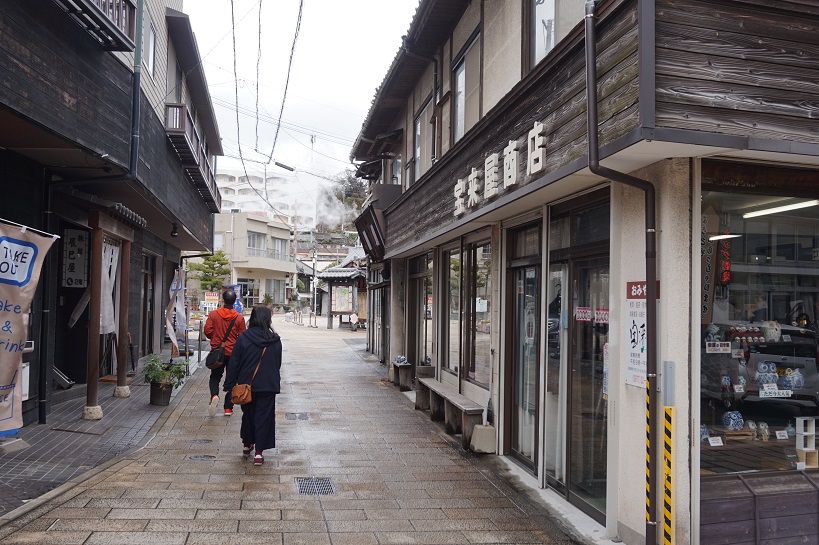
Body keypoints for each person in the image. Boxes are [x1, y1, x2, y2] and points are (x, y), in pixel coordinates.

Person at [224, 305, 282, 466]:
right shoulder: (275, 340)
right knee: (264, 417)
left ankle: (247, 444)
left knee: (248, 415)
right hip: (267, 385)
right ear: (268, 320)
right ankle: (258, 453)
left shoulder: (243, 338)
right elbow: (277, 363)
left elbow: (234, 363)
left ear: (253, 319)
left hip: (246, 385)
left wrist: (229, 385)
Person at [204, 290, 246, 416]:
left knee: (215, 377)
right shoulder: (239, 318)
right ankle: (228, 408)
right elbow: (242, 336)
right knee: (232, 380)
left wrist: (215, 337)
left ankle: (214, 395)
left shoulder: (214, 314)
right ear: (234, 302)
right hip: (233, 353)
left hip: (218, 352)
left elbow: (207, 331)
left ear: (222, 300)